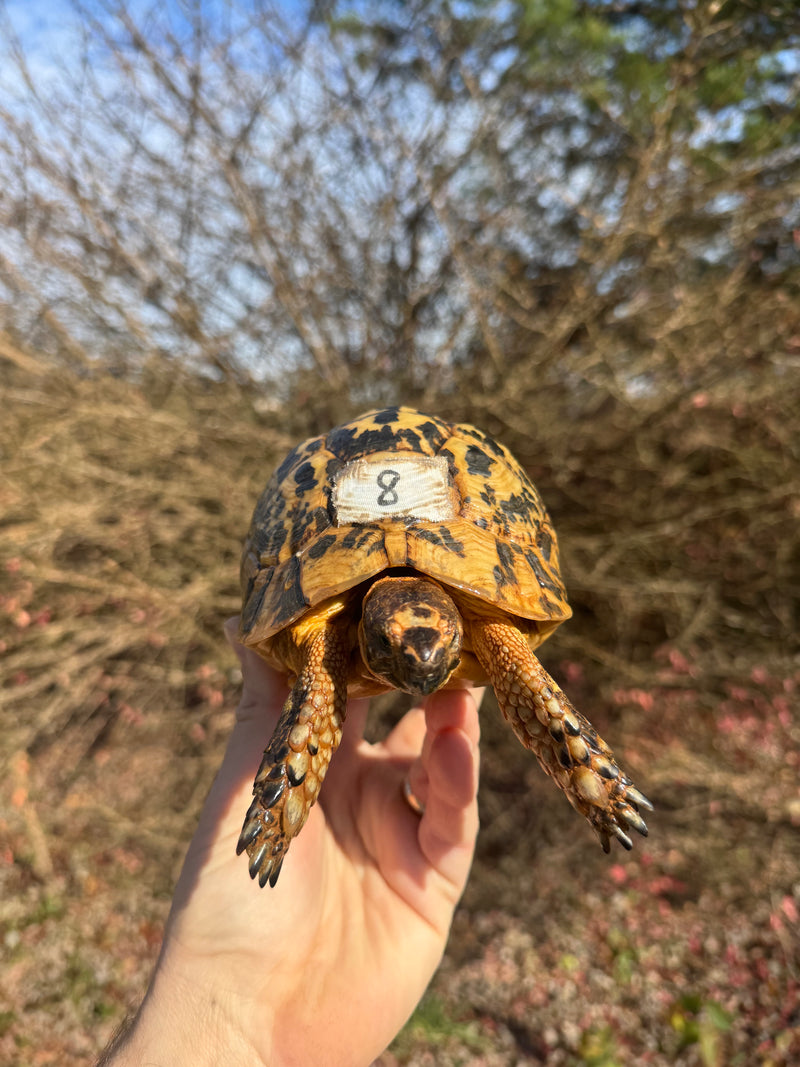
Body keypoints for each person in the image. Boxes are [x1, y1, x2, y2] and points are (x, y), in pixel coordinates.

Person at [99, 619, 483, 1066]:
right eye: (389, 642)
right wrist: (230, 1018)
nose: (419, 665)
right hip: (346, 631)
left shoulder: (480, 632)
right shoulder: (329, 633)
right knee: (323, 670)